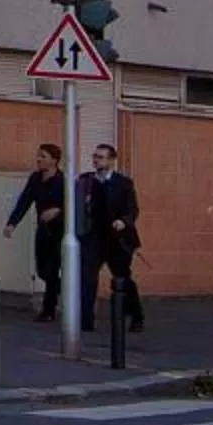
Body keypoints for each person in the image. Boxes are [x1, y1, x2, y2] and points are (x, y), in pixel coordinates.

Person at [79, 140, 145, 334]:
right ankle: (86, 320)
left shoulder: (123, 183)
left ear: (111, 160)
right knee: (87, 276)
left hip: (116, 238)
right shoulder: (86, 181)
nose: (96, 160)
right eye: (95, 156)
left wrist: (123, 221)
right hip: (93, 236)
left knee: (122, 277)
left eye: (100, 157)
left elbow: (132, 208)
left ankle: (136, 316)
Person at [2, 139, 66, 320]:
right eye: (38, 156)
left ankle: (48, 311)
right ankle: (67, 289)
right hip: (43, 230)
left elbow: (72, 206)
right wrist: (12, 223)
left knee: (52, 269)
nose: (38, 159)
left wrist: (58, 212)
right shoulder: (35, 179)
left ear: (54, 160)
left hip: (59, 231)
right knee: (42, 270)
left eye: (43, 156)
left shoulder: (62, 181)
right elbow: (25, 201)